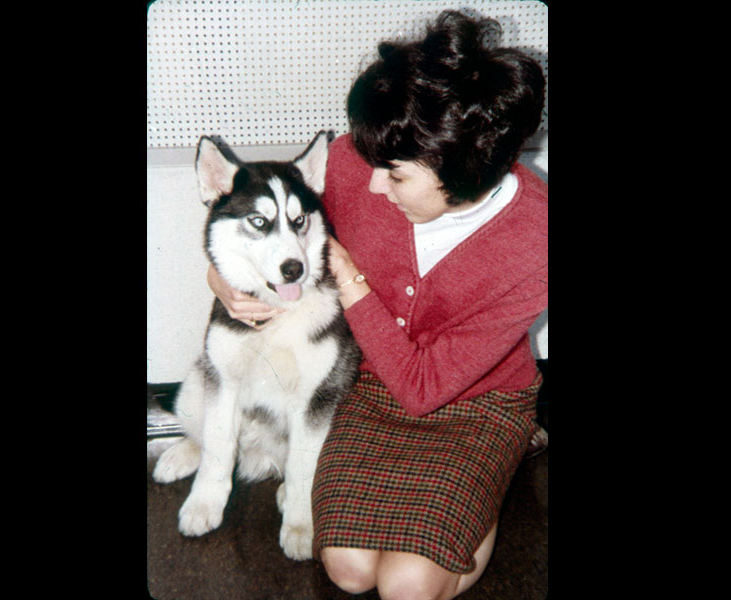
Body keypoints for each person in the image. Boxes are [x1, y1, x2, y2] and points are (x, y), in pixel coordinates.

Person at [206, 10, 547, 600]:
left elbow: (423, 386)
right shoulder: (361, 160)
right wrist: (221, 281)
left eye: (395, 176)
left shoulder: (536, 237)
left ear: (463, 170)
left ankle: (496, 470)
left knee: (408, 585)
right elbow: (253, 220)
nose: (371, 185)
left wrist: (346, 272)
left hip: (477, 402)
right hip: (368, 386)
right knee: (347, 568)